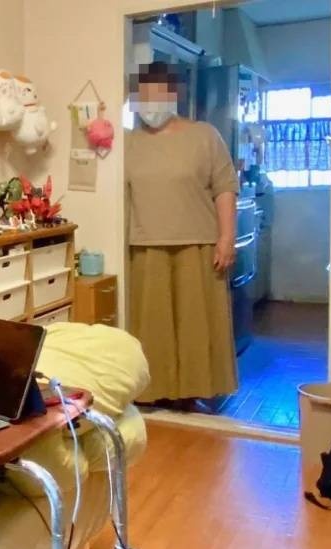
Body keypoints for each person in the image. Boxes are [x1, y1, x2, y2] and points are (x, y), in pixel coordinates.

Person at [124, 62, 239, 406]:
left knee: (195, 327)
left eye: (156, 93)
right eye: (143, 95)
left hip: (198, 245)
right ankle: (152, 393)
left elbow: (225, 188)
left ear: (173, 94)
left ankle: (192, 394)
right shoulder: (128, 142)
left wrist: (226, 238)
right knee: (152, 327)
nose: (150, 103)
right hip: (145, 246)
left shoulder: (205, 136)